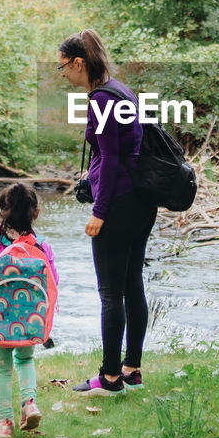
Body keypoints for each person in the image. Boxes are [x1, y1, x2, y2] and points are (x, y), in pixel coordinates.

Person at [57, 29, 157, 396]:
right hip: (143, 202)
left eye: (63, 66)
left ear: (79, 62)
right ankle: (132, 369)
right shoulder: (121, 90)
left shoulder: (101, 99)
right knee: (133, 285)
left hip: (119, 204)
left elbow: (113, 157)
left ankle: (110, 378)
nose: (63, 74)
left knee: (111, 294)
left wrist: (99, 212)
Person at [0, 182, 59, 438]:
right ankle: (29, 404)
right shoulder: (42, 247)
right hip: (30, 319)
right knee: (25, 360)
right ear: (36, 213)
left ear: (2, 213)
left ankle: (4, 423)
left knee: (1, 369)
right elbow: (52, 281)